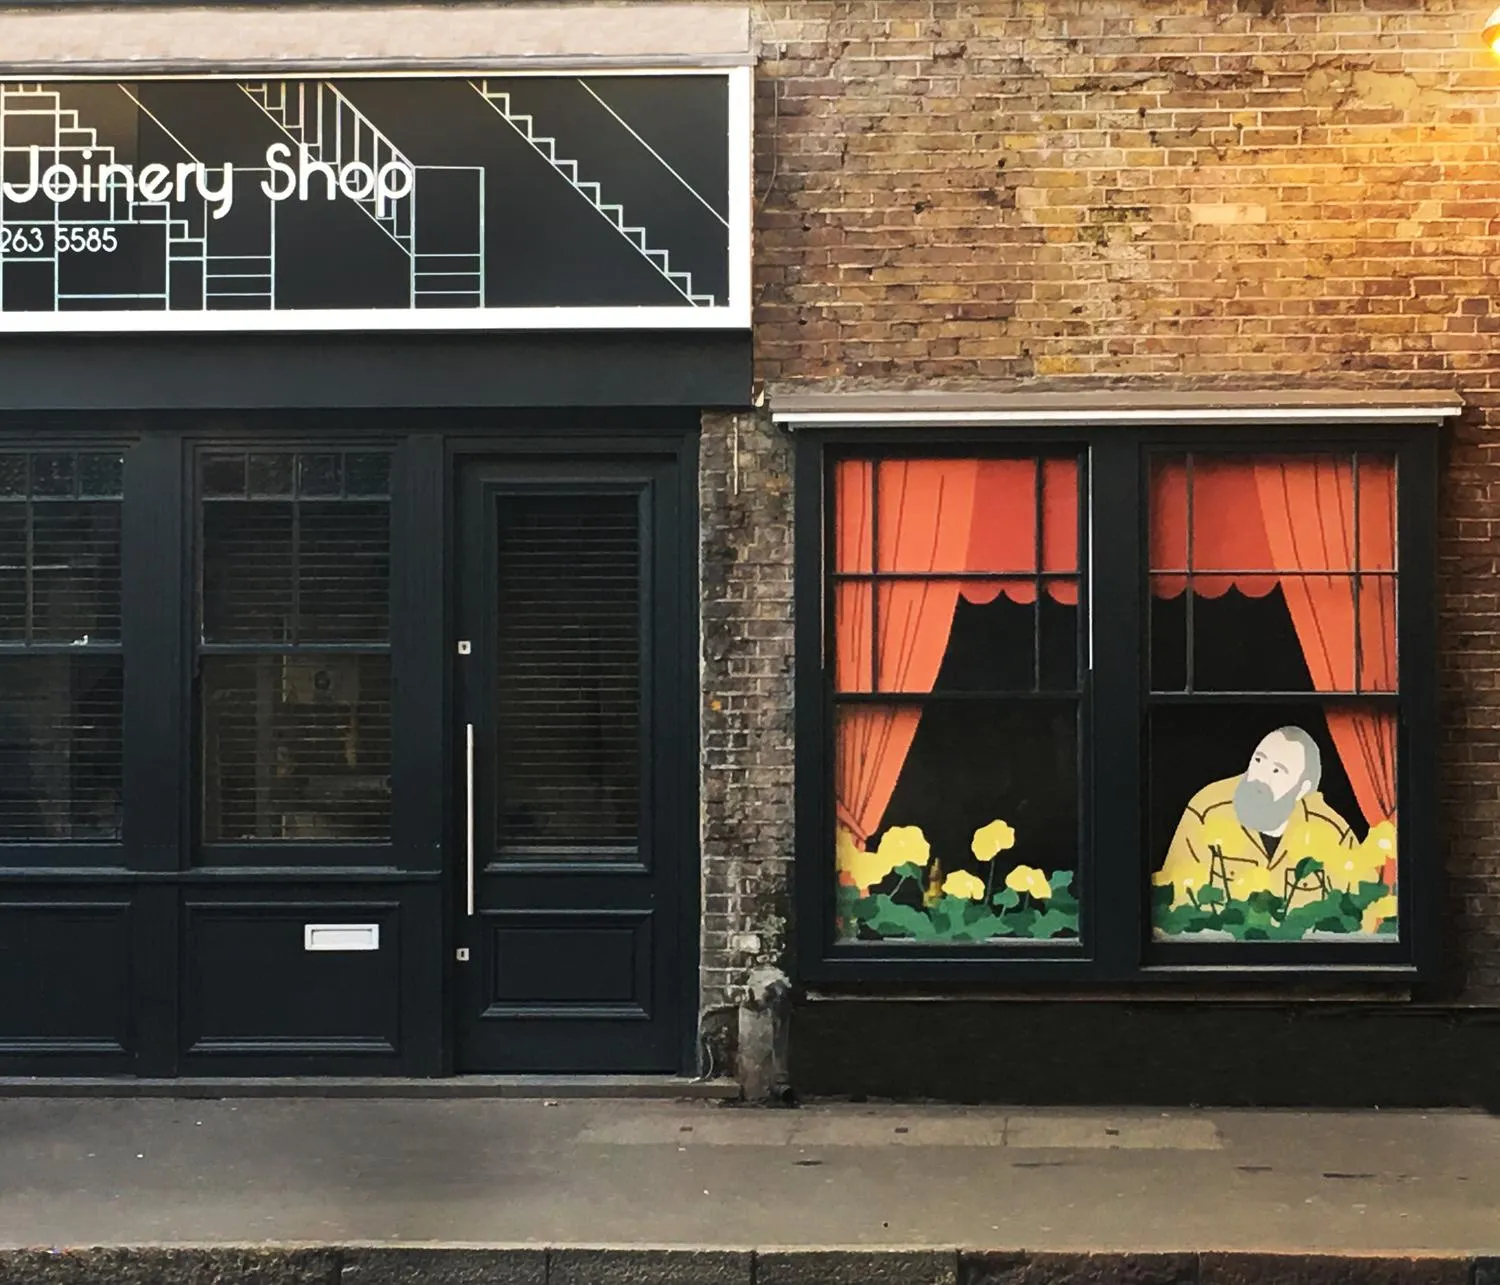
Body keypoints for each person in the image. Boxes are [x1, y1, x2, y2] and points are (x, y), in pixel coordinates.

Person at [1155, 726, 1355, 910]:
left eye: (1277, 771)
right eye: (1258, 761)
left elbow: (1360, 912)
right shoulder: (1207, 809)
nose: (1261, 776)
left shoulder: (1333, 833)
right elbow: (1174, 899)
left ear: (1302, 789)